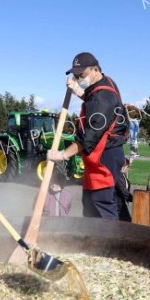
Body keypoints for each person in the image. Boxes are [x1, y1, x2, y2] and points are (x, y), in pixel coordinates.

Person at [47, 52, 128, 220]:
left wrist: (62, 155)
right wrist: (77, 90)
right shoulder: (105, 83)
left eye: (81, 75)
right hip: (100, 156)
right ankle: (93, 240)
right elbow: (92, 99)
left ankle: (107, 244)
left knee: (101, 206)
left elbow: (89, 136)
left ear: (95, 69)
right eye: (76, 75)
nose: (78, 78)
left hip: (104, 157)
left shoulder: (103, 97)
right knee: (90, 203)